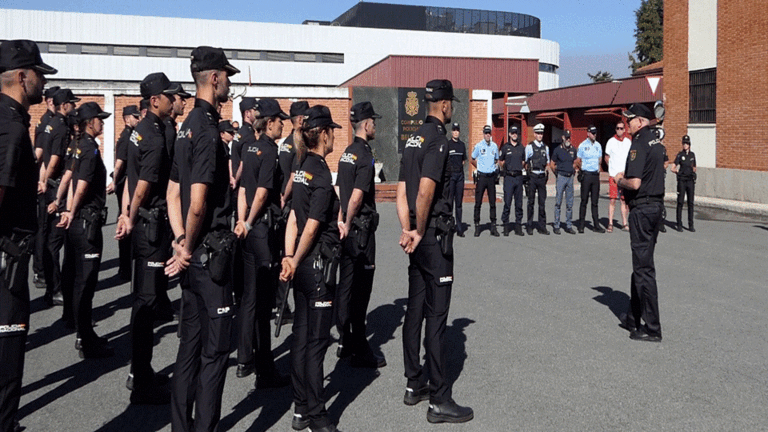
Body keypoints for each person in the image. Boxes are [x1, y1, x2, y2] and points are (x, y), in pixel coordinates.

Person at [165, 46, 239, 432]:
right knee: (214, 353)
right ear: (213, 78)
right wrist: (189, 247)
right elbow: (196, 202)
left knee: (188, 349)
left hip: (193, 256)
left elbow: (171, 190)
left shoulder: (186, 124)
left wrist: (179, 242)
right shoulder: (208, 129)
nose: (229, 82)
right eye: (227, 75)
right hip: (209, 259)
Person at [397, 79, 473, 424]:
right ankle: (440, 399)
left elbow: (402, 191)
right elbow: (425, 192)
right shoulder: (439, 139)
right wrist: (421, 230)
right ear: (444, 105)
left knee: (415, 308)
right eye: (451, 104)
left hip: (414, 235)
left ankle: (415, 382)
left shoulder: (413, 139)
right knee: (437, 317)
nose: (451, 108)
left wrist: (407, 229)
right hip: (431, 236)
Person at [0, 39, 56, 432]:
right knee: (7, 353)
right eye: (38, 74)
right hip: (6, 260)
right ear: (22, 76)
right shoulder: (11, 127)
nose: (42, 82)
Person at [116, 72, 182, 403]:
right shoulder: (154, 136)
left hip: (141, 223)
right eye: (169, 95)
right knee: (145, 301)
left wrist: (127, 212)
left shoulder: (139, 131)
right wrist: (130, 213)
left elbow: (128, 175)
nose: (174, 100)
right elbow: (142, 182)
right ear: (155, 100)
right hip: (151, 226)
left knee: (143, 299)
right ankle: (141, 378)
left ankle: (139, 370)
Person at [279, 105, 343, 432]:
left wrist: (290, 258)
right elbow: (312, 224)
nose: (335, 135)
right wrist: (296, 255)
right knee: (316, 343)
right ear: (322, 134)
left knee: (301, 339)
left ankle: (301, 406)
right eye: (331, 130)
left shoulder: (302, 166)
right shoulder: (318, 171)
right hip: (317, 265)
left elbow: (293, 216)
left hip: (302, 265)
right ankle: (317, 415)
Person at [233, 98, 291, 388]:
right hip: (262, 229)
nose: (283, 123)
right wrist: (251, 221)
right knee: (264, 300)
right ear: (269, 123)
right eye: (279, 120)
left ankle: (246, 358)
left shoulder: (248, 147)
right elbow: (262, 192)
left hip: (248, 230)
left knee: (249, 297)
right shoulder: (269, 151)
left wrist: (241, 221)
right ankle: (265, 369)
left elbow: (244, 189)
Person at [57, 102, 114, 358]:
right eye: (99, 119)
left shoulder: (78, 144)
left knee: (80, 278)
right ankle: (84, 337)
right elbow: (81, 184)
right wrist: (71, 209)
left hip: (78, 220)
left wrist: (65, 207)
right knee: (86, 281)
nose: (102, 122)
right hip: (87, 222)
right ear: (90, 122)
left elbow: (70, 180)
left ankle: (84, 333)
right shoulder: (89, 147)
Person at [335, 101, 386, 368]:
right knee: (361, 290)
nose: (375, 126)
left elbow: (339, 190)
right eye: (374, 122)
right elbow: (355, 197)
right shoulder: (365, 155)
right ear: (366, 125)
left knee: (346, 285)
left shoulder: (346, 152)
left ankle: (345, 340)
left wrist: (340, 221)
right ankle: (360, 348)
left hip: (346, 229)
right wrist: (349, 218)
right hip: (361, 230)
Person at [614, 103, 666, 343]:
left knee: (644, 270)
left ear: (642, 121)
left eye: (631, 118)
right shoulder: (657, 143)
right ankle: (633, 318)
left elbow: (634, 183)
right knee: (641, 265)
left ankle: (653, 327)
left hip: (643, 209)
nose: (627, 122)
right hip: (655, 207)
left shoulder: (638, 144)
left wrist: (619, 180)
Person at [39, 88, 80, 307]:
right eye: (71, 104)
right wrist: (47, 183)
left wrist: (41, 180)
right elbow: (55, 160)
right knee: (56, 243)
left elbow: (42, 157)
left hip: (50, 187)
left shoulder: (49, 123)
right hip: (58, 191)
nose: (73, 107)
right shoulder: (61, 128)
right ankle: (56, 288)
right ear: (64, 105)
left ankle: (52, 287)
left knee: (48, 241)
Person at [107, 105, 140, 281]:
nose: (138, 120)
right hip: (123, 185)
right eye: (135, 117)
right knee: (125, 221)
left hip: (126, 183)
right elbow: (120, 162)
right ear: (127, 119)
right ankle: (125, 268)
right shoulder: (127, 137)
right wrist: (114, 181)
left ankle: (127, 267)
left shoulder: (130, 136)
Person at [32, 85, 60, 289]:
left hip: (47, 181)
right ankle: (41, 271)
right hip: (46, 183)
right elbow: (40, 155)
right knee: (43, 230)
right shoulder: (46, 123)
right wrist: (40, 180)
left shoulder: (50, 122)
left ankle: (44, 269)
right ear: (50, 102)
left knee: (46, 230)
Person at [470, 125, 499, 237]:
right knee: (478, 202)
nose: (487, 135)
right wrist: (479, 167)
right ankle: (477, 226)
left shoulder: (494, 146)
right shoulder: (478, 146)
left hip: (491, 177)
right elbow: (472, 158)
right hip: (481, 177)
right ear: (483, 134)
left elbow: (496, 159)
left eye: (489, 133)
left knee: (492, 202)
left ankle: (493, 226)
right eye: (486, 133)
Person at [576, 125, 605, 233]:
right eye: (592, 133)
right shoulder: (583, 145)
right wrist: (582, 169)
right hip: (587, 175)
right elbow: (578, 160)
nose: (594, 135)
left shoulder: (598, 145)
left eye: (595, 133)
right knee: (584, 200)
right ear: (588, 133)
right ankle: (581, 225)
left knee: (595, 201)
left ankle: (596, 225)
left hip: (595, 175)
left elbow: (600, 159)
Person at [605, 122, 631, 232]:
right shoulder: (611, 142)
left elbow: (630, 158)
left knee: (623, 200)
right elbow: (606, 157)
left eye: (621, 128)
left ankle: (624, 223)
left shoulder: (628, 142)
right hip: (613, 176)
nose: (619, 130)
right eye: (617, 128)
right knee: (612, 199)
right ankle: (610, 223)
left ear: (624, 130)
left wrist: (625, 172)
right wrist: (612, 169)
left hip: (624, 175)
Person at [499, 125, 525, 236]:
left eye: (516, 133)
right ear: (509, 134)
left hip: (518, 177)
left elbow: (524, 162)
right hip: (509, 177)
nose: (515, 134)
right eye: (513, 132)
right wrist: (505, 169)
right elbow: (501, 162)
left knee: (519, 204)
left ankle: (518, 226)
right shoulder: (505, 147)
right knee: (507, 203)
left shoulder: (521, 147)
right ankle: (506, 225)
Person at [549, 130, 577, 235]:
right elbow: (552, 164)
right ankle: (556, 225)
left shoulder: (573, 150)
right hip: (561, 177)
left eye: (569, 137)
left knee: (569, 204)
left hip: (570, 178)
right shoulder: (557, 150)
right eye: (566, 137)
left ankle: (568, 225)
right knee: (558, 202)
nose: (568, 139)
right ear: (562, 138)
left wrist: (574, 169)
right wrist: (557, 174)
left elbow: (576, 162)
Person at [525, 123, 550, 235]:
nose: (540, 135)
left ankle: (542, 226)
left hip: (541, 177)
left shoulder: (546, 148)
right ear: (534, 134)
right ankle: (529, 225)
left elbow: (548, 163)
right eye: (538, 133)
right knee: (531, 202)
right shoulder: (529, 147)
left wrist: (546, 173)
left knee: (542, 203)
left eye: (541, 133)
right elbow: (525, 162)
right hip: (533, 176)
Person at [446, 122, 467, 236]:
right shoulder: (448, 144)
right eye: (454, 130)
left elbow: (463, 160)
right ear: (451, 132)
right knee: (449, 203)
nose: (456, 132)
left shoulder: (462, 145)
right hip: (451, 176)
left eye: (457, 130)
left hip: (459, 176)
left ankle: (459, 228)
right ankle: (448, 227)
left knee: (459, 204)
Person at [672, 135, 696, 232]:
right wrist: (677, 172)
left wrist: (692, 172)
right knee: (680, 202)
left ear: (689, 144)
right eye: (684, 143)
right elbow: (672, 168)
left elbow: (694, 167)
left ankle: (691, 224)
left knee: (690, 203)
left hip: (690, 181)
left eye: (686, 143)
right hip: (682, 181)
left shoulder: (692, 155)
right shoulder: (679, 155)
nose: (685, 145)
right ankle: (679, 224)